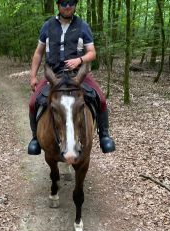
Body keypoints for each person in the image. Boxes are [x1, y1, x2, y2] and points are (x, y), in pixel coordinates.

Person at [28, 0, 115, 155]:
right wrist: (33, 76)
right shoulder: (47, 26)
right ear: (57, 5)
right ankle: (35, 138)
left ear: (75, 5)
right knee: (33, 102)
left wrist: (80, 60)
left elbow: (92, 52)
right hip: (53, 75)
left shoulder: (83, 26)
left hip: (78, 76)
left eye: (71, 2)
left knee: (101, 99)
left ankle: (104, 136)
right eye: (63, 2)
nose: (67, 6)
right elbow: (38, 53)